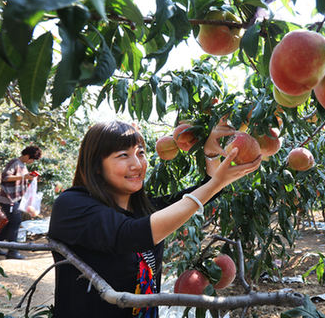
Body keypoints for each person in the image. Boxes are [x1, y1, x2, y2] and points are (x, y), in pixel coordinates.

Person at [48, 120, 261, 318]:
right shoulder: (72, 205)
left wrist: (212, 155)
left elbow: (202, 193)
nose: (137, 164)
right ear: (96, 165)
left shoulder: (144, 209)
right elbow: (130, 235)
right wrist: (216, 183)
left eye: (140, 153)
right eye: (123, 155)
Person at [0, 146, 42, 259]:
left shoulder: (23, 165)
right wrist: (24, 176)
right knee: (16, 222)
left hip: (15, 198)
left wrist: (29, 177)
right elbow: (5, 177)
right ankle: (12, 251)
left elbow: (20, 179)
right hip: (8, 199)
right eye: (32, 159)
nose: (32, 162)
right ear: (27, 156)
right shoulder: (15, 162)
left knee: (12, 222)